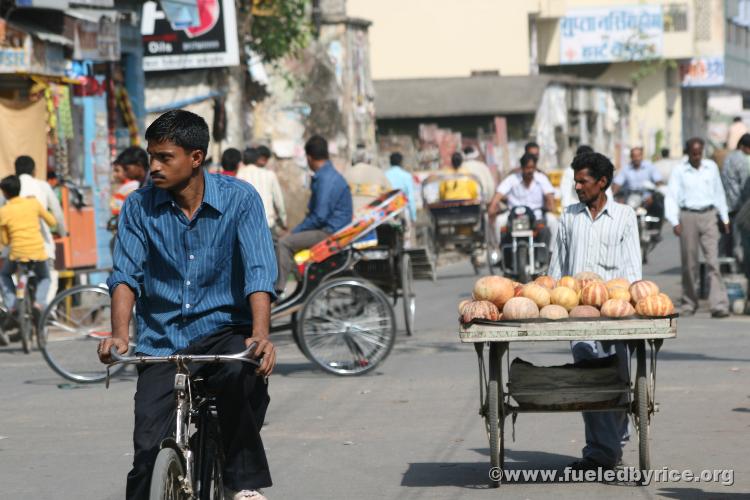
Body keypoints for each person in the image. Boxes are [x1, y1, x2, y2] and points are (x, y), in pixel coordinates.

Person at [97, 110, 277, 500]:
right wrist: (119, 336)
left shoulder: (240, 199)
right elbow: (125, 275)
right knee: (147, 450)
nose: (154, 167)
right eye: (151, 157)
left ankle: (241, 483)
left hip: (222, 331)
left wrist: (259, 336)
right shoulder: (137, 207)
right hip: (163, 340)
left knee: (240, 376)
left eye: (165, 157)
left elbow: (260, 271)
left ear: (195, 157)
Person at [549, 152, 641, 471]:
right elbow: (557, 269)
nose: (576, 187)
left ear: (602, 183)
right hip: (579, 314)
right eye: (575, 181)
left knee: (617, 377)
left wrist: (632, 305)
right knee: (590, 378)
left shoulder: (625, 216)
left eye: (582, 181)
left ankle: (613, 443)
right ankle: (602, 451)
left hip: (615, 311)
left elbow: (632, 268)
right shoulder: (569, 217)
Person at [274, 135, 353, 296]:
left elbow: (319, 217)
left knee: (284, 243)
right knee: (278, 240)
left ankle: (278, 290)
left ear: (309, 157)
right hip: (329, 228)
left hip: (330, 232)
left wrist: (294, 232)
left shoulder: (326, 179)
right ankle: (299, 282)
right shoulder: (328, 175)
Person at [665, 137, 730, 318]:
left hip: (709, 215)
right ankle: (689, 302)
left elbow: (719, 193)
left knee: (713, 262)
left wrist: (724, 217)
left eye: (699, 153)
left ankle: (718, 304)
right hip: (688, 216)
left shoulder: (711, 167)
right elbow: (671, 195)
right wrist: (674, 221)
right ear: (688, 153)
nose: (696, 156)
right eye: (693, 153)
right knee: (689, 263)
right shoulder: (680, 170)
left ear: (703, 152)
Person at [0, 175, 57, 326]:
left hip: (17, 255)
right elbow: (52, 222)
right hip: (38, 253)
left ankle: (12, 306)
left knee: (4, 275)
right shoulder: (33, 203)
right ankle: (39, 303)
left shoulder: (3, 211)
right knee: (45, 277)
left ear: (4, 193)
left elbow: (5, 241)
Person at [13, 155, 66, 303]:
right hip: (40, 245)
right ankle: (44, 308)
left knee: (9, 274)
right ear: (34, 171)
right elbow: (56, 214)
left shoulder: (11, 187)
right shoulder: (42, 186)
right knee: (49, 275)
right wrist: (62, 231)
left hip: (16, 246)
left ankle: (13, 306)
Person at [489, 153, 557, 255]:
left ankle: (552, 252)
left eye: (532, 168)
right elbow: (499, 194)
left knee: (553, 220)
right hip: (514, 216)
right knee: (499, 221)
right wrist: (492, 207)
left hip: (537, 215)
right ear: (522, 168)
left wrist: (551, 205)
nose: (530, 171)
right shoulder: (512, 179)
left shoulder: (541, 179)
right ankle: (499, 251)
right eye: (527, 168)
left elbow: (549, 195)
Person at [236, 147, 288, 237]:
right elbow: (279, 201)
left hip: (247, 228)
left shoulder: (239, 175)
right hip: (268, 224)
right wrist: (284, 221)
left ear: (243, 161)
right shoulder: (270, 175)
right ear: (257, 159)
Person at [720, 133, 750, 258]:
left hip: (728, 204)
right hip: (739, 204)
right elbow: (745, 184)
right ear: (743, 146)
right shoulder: (742, 160)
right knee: (739, 239)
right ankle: (738, 265)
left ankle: (726, 264)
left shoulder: (729, 158)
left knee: (728, 237)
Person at [344, 145, 392, 212]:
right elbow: (390, 196)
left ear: (352, 161)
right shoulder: (379, 172)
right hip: (374, 216)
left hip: (351, 216)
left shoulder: (345, 174)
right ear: (369, 161)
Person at [385, 152, 417, 246]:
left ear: (390, 162)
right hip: (402, 209)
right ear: (401, 162)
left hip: (388, 211)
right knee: (406, 236)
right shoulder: (406, 176)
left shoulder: (385, 175)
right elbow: (410, 198)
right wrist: (413, 216)